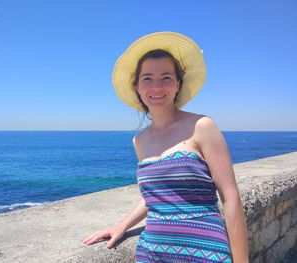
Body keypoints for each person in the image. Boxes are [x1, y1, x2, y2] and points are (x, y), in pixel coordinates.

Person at [83, 32, 249, 263]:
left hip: (205, 252)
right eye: (147, 78)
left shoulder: (202, 126)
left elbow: (231, 199)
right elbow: (155, 195)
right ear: (137, 87)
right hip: (153, 253)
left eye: (167, 78)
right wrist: (122, 225)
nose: (157, 87)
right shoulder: (139, 141)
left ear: (178, 84)